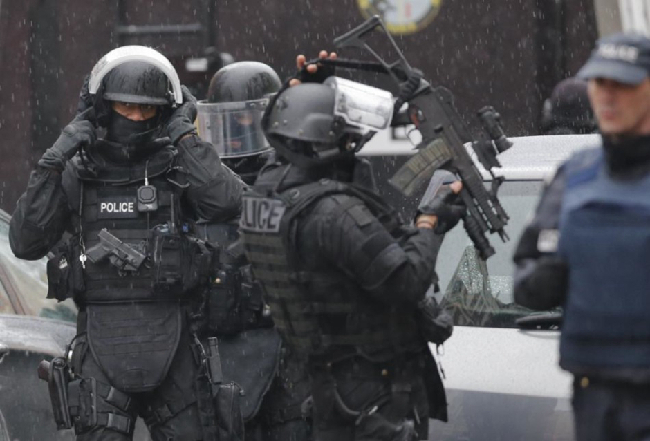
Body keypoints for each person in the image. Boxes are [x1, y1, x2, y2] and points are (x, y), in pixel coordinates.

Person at [9, 45, 243, 440]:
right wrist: (53, 160)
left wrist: (185, 137)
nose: (135, 117)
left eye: (146, 109)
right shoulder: (78, 173)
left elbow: (227, 203)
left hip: (175, 344)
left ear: (163, 111)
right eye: (126, 107)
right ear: (102, 107)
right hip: (101, 343)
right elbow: (24, 242)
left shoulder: (177, 166)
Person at [239, 55, 463, 441]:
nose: (353, 143)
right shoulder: (334, 214)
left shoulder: (263, 199)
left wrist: (302, 99)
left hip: (324, 385)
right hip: (374, 389)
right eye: (345, 137)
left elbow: (292, 156)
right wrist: (430, 223)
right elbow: (407, 282)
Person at [513, 32, 650, 441]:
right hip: (595, 393)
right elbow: (527, 281)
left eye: (622, 84)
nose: (606, 96)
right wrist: (550, 273)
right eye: (598, 82)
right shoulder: (574, 175)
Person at [195, 61, 312, 441]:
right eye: (226, 125)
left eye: (246, 124)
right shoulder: (198, 193)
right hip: (219, 369)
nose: (235, 137)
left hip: (289, 365)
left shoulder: (296, 182)